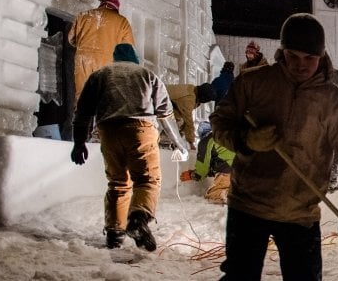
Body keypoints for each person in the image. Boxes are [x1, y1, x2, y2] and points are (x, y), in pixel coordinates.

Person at [209, 13, 338, 279]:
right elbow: (219, 123)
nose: (300, 65)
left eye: (310, 58)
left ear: (322, 55)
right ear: (282, 51)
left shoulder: (335, 102)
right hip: (248, 205)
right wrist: (246, 140)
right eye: (293, 56)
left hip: (300, 213)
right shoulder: (253, 82)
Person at [70, 43, 187, 251]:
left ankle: (114, 235)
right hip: (140, 129)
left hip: (108, 130)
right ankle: (138, 219)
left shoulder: (100, 75)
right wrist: (180, 144)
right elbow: (165, 114)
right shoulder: (146, 74)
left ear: (115, 58)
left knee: (117, 182)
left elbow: (83, 112)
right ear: (135, 58)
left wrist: (79, 142)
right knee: (147, 179)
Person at [68, 0, 135, 101]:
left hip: (84, 60)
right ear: (116, 7)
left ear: (102, 3)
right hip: (107, 63)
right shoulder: (122, 22)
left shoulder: (83, 16)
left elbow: (71, 39)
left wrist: (84, 44)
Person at [180, 126, 236, 204]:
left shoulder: (207, 141)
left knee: (213, 196)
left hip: (230, 170)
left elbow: (202, 169)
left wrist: (192, 175)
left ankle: (231, 196)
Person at [166, 83, 217, 150]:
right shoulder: (189, 99)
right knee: (179, 122)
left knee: (181, 122)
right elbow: (188, 121)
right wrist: (191, 142)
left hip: (166, 104)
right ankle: (165, 141)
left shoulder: (192, 90)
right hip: (159, 104)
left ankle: (172, 142)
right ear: (203, 97)